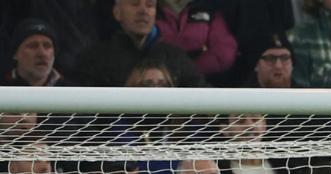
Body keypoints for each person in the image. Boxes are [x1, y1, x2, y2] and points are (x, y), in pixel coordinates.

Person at [75, 0, 203, 87]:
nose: (143, 11)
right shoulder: (95, 58)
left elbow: (201, 92)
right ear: (117, 12)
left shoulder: (174, 56)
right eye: (135, 4)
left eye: (150, 5)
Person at [2, 18, 64, 87]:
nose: (42, 53)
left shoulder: (72, 90)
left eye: (47, 46)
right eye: (32, 46)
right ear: (15, 54)